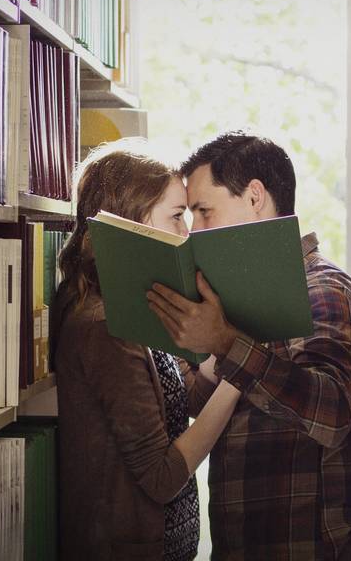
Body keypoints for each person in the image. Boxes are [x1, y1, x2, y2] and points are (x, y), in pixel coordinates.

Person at [148, 132, 351, 560]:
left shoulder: (327, 293)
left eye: (204, 211)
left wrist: (223, 340)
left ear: (255, 196)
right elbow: (206, 403)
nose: (194, 232)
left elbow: (332, 415)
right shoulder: (235, 301)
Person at [52, 139, 241, 561]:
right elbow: (160, 477)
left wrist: (218, 339)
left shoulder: (138, 309)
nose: (186, 233)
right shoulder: (105, 328)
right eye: (176, 217)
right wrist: (244, 375)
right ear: (133, 222)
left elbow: (191, 398)